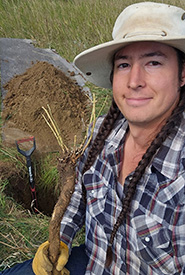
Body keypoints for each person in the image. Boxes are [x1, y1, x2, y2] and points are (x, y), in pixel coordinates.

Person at [1, 1, 185, 274]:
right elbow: (77, 194)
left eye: (154, 62)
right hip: (94, 262)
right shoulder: (102, 132)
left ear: (182, 74)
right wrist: (59, 240)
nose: (134, 80)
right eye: (124, 64)